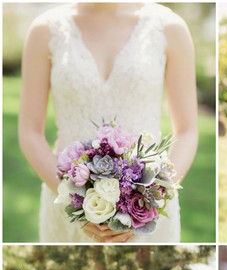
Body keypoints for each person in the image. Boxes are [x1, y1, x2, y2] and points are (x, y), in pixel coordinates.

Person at [19, 3, 197, 242]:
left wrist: (150, 201)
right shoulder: (45, 30)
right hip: (63, 199)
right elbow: (30, 132)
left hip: (147, 208)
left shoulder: (169, 27)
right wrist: (75, 203)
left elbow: (187, 131)